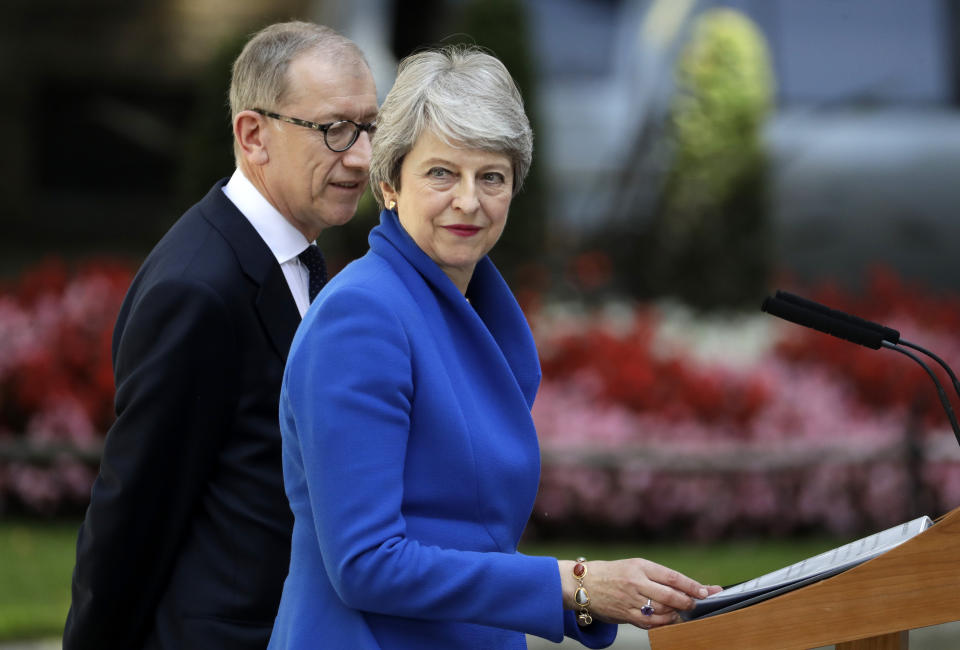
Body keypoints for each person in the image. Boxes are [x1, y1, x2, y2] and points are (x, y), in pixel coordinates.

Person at [269, 45, 719, 649]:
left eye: (492, 177)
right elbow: (367, 564)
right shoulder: (362, 317)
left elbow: (471, 536)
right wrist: (574, 585)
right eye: (440, 173)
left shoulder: (463, 306)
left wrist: (594, 597)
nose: (469, 201)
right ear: (388, 183)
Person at [63, 21, 378, 650]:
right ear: (253, 136)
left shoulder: (296, 258)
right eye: (334, 130)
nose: (363, 156)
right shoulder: (198, 288)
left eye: (370, 127)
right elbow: (133, 513)